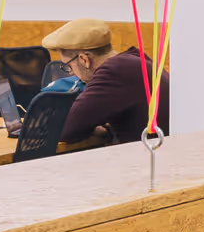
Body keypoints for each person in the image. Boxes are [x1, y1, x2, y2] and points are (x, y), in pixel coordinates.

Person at [40, 18, 170, 146]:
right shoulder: (136, 59)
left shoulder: (113, 71)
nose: (71, 73)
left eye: (68, 66)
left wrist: (92, 127)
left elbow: (64, 130)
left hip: (148, 160)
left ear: (84, 60)